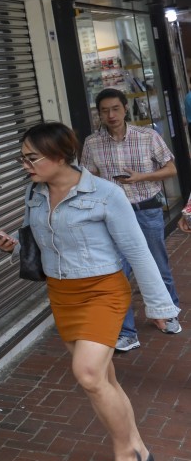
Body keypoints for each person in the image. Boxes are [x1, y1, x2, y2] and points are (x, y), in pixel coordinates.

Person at [0, 122, 180, 461]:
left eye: (31, 157)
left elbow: (138, 250)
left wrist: (160, 305)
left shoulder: (106, 194)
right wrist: (12, 248)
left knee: (89, 375)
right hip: (62, 293)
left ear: (60, 155)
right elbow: (36, 241)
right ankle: (139, 446)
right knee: (103, 380)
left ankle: (125, 456)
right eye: (21, 157)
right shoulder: (34, 193)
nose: (24, 165)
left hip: (102, 291)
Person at [80, 88, 181, 352]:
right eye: (104, 110)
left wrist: (141, 177)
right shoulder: (92, 143)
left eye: (115, 108)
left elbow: (171, 168)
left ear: (125, 108)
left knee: (157, 264)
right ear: (99, 114)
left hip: (146, 209)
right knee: (117, 274)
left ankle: (166, 312)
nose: (110, 115)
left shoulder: (147, 136)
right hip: (112, 216)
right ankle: (126, 332)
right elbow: (87, 179)